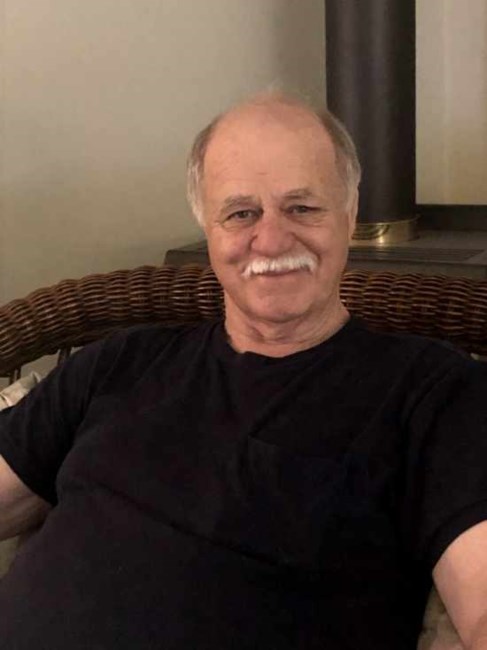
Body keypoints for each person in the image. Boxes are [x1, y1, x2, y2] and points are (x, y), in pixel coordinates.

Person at [1, 92, 487, 650]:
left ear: (350, 213)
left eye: (302, 207)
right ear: (208, 228)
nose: (272, 239)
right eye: (240, 213)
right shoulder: (118, 362)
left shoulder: (436, 394)